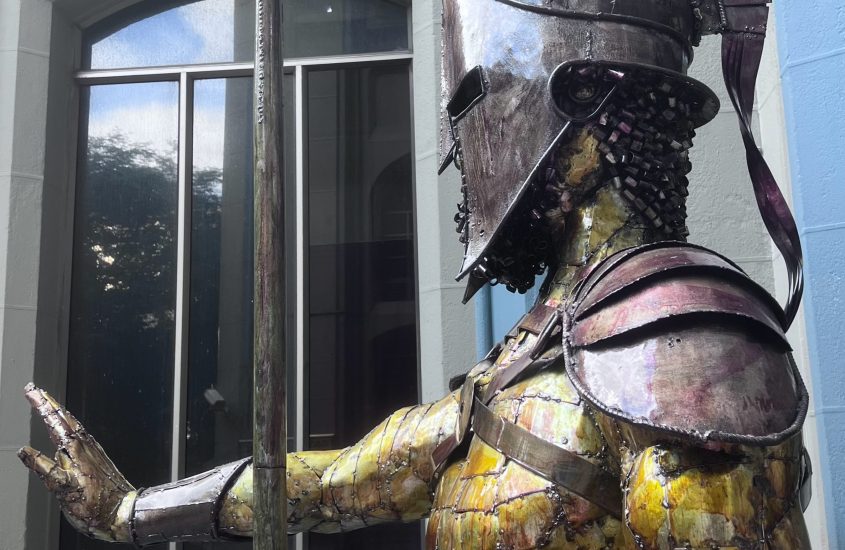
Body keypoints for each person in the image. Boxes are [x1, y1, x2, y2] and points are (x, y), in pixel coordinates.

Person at [20, 0, 813, 547]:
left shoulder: (688, 351)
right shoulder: (530, 357)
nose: (458, 151)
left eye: (475, 104)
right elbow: (335, 483)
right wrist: (132, 511)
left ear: (579, 134)